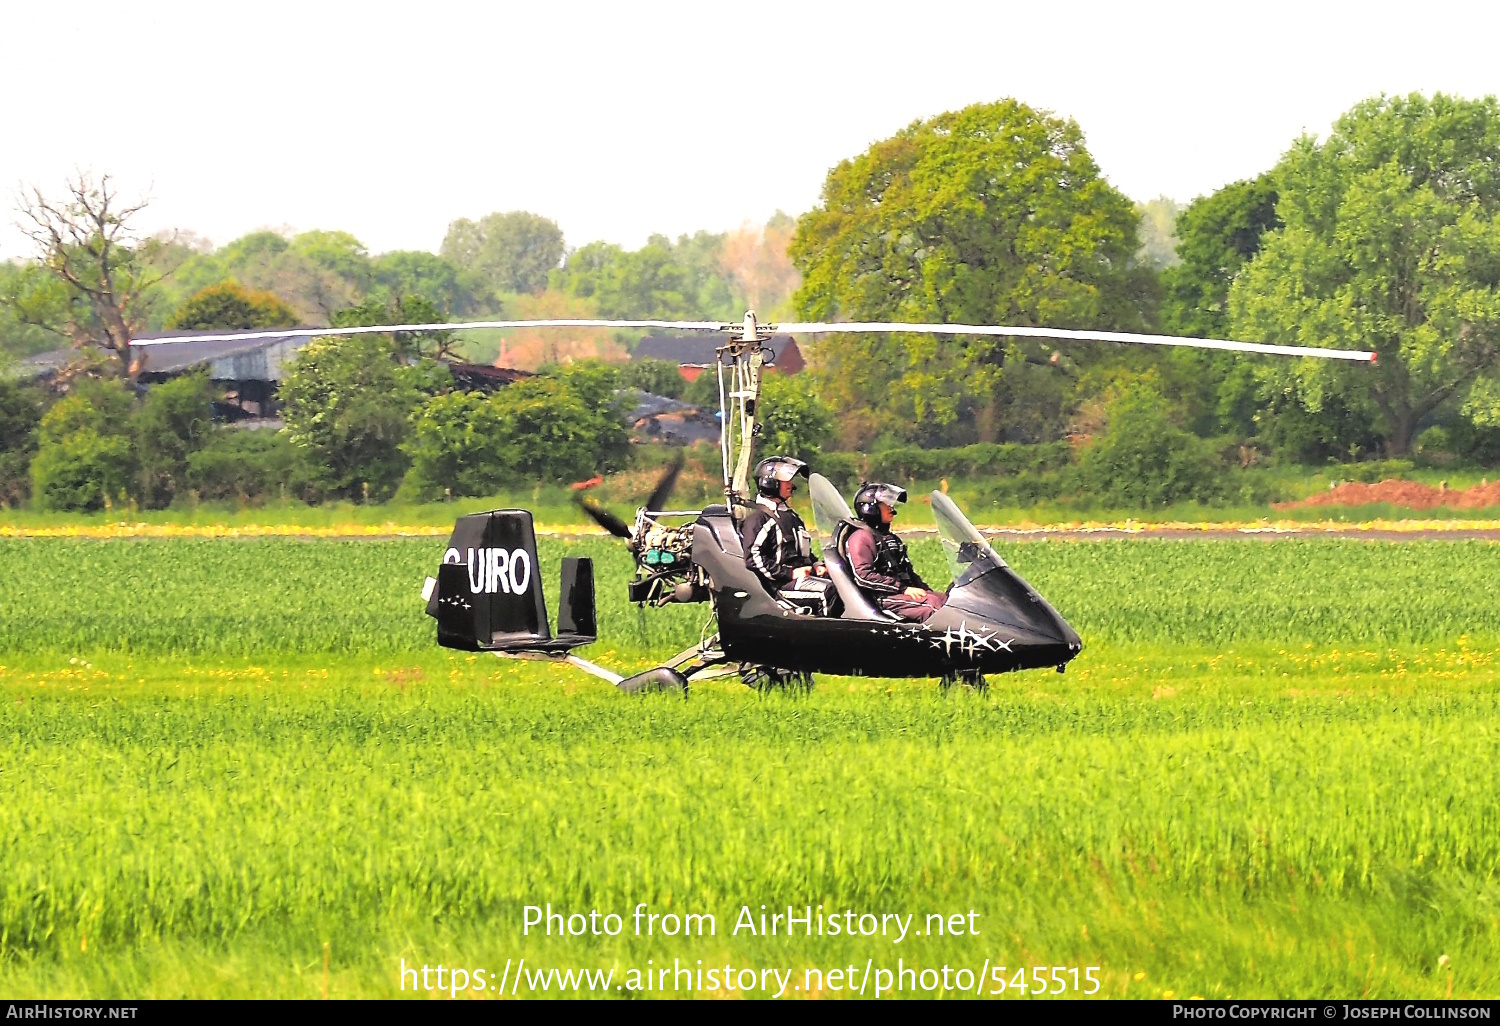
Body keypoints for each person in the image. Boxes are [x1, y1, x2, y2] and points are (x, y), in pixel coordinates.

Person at [837, 482, 947, 623]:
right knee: (933, 607)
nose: (891, 509)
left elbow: (907, 571)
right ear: (872, 508)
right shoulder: (861, 537)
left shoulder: (890, 538)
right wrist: (902, 588)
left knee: (947, 601)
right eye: (886, 505)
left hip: (897, 594)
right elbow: (863, 576)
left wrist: (924, 589)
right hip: (882, 599)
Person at [741, 456, 837, 616]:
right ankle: (827, 639)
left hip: (802, 580)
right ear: (770, 483)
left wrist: (816, 565)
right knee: (827, 592)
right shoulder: (759, 519)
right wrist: (790, 573)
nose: (791, 485)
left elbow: (803, 552)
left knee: (844, 587)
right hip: (780, 586)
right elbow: (753, 558)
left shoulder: (791, 517)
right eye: (786, 481)